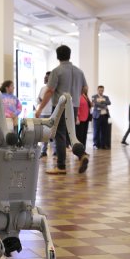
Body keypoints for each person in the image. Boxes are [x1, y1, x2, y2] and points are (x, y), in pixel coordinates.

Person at [35, 44, 88, 175]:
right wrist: (75, 95)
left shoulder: (56, 71)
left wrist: (39, 109)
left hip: (60, 107)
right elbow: (85, 89)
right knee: (71, 135)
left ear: (58, 56)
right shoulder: (79, 71)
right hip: (74, 106)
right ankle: (82, 155)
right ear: (69, 55)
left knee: (60, 135)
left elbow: (49, 91)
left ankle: (61, 166)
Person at [38, 71, 54, 158]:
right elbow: (38, 100)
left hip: (52, 113)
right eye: (45, 76)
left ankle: (56, 151)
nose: (45, 78)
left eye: (47, 77)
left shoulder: (54, 88)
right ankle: (44, 151)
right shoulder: (42, 88)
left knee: (53, 132)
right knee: (44, 133)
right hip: (43, 113)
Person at [91, 85, 111, 149]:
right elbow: (95, 103)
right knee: (96, 131)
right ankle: (95, 144)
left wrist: (101, 101)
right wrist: (104, 105)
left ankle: (103, 145)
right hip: (97, 116)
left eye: (102, 90)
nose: (101, 91)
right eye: (100, 90)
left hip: (105, 116)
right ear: (97, 90)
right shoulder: (94, 96)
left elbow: (109, 102)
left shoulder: (106, 97)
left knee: (104, 131)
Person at [75, 85, 92, 153]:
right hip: (80, 119)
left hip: (86, 119)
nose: (87, 89)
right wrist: (77, 117)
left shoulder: (86, 96)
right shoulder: (78, 96)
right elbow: (77, 107)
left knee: (84, 136)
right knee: (80, 136)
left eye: (87, 87)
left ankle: (83, 150)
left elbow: (89, 106)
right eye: (85, 87)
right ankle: (79, 151)